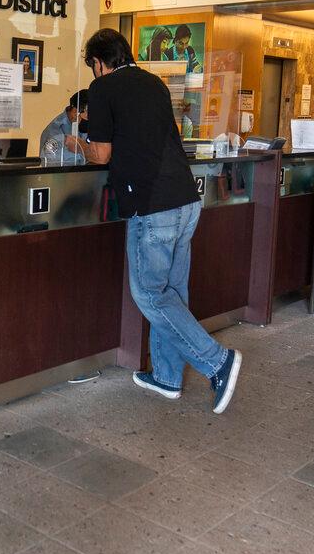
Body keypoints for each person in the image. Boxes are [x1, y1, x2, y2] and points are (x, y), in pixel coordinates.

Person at [82, 28, 242, 414]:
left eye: (92, 65)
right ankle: (168, 377)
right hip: (186, 199)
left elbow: (101, 155)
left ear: (99, 63)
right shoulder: (153, 83)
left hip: (151, 204)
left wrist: (78, 144)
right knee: (172, 292)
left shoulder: (103, 89)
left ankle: (217, 362)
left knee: (150, 293)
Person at [39, 90, 89, 165]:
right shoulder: (55, 132)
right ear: (75, 113)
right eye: (89, 115)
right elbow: (54, 167)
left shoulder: (84, 125)